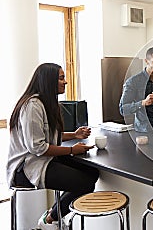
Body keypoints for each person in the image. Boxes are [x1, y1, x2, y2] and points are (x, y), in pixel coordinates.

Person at [6, 63, 99, 230]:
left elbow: (46, 136)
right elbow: (37, 147)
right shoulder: (32, 106)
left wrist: (73, 135)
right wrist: (72, 150)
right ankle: (50, 219)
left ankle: (53, 215)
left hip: (42, 159)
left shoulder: (45, 103)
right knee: (84, 183)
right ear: (48, 81)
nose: (65, 82)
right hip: (25, 168)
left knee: (92, 172)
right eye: (61, 78)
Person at [119, 47, 153, 137]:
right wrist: (143, 102)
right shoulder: (133, 82)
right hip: (144, 133)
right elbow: (123, 109)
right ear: (146, 61)